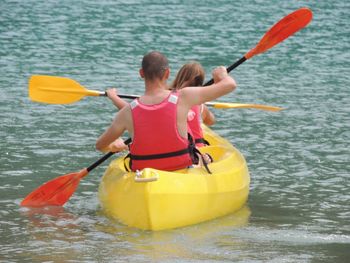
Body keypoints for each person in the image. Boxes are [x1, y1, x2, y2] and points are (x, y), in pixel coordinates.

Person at [96, 51, 236, 172]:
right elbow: (230, 85)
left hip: (144, 172)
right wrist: (221, 74)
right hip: (181, 169)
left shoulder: (127, 112)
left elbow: (100, 145)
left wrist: (114, 146)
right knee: (206, 158)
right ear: (168, 73)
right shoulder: (184, 97)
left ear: (141, 73)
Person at [171, 62, 215, 147]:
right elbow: (211, 121)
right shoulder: (201, 105)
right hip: (197, 149)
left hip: (178, 149)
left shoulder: (168, 98)